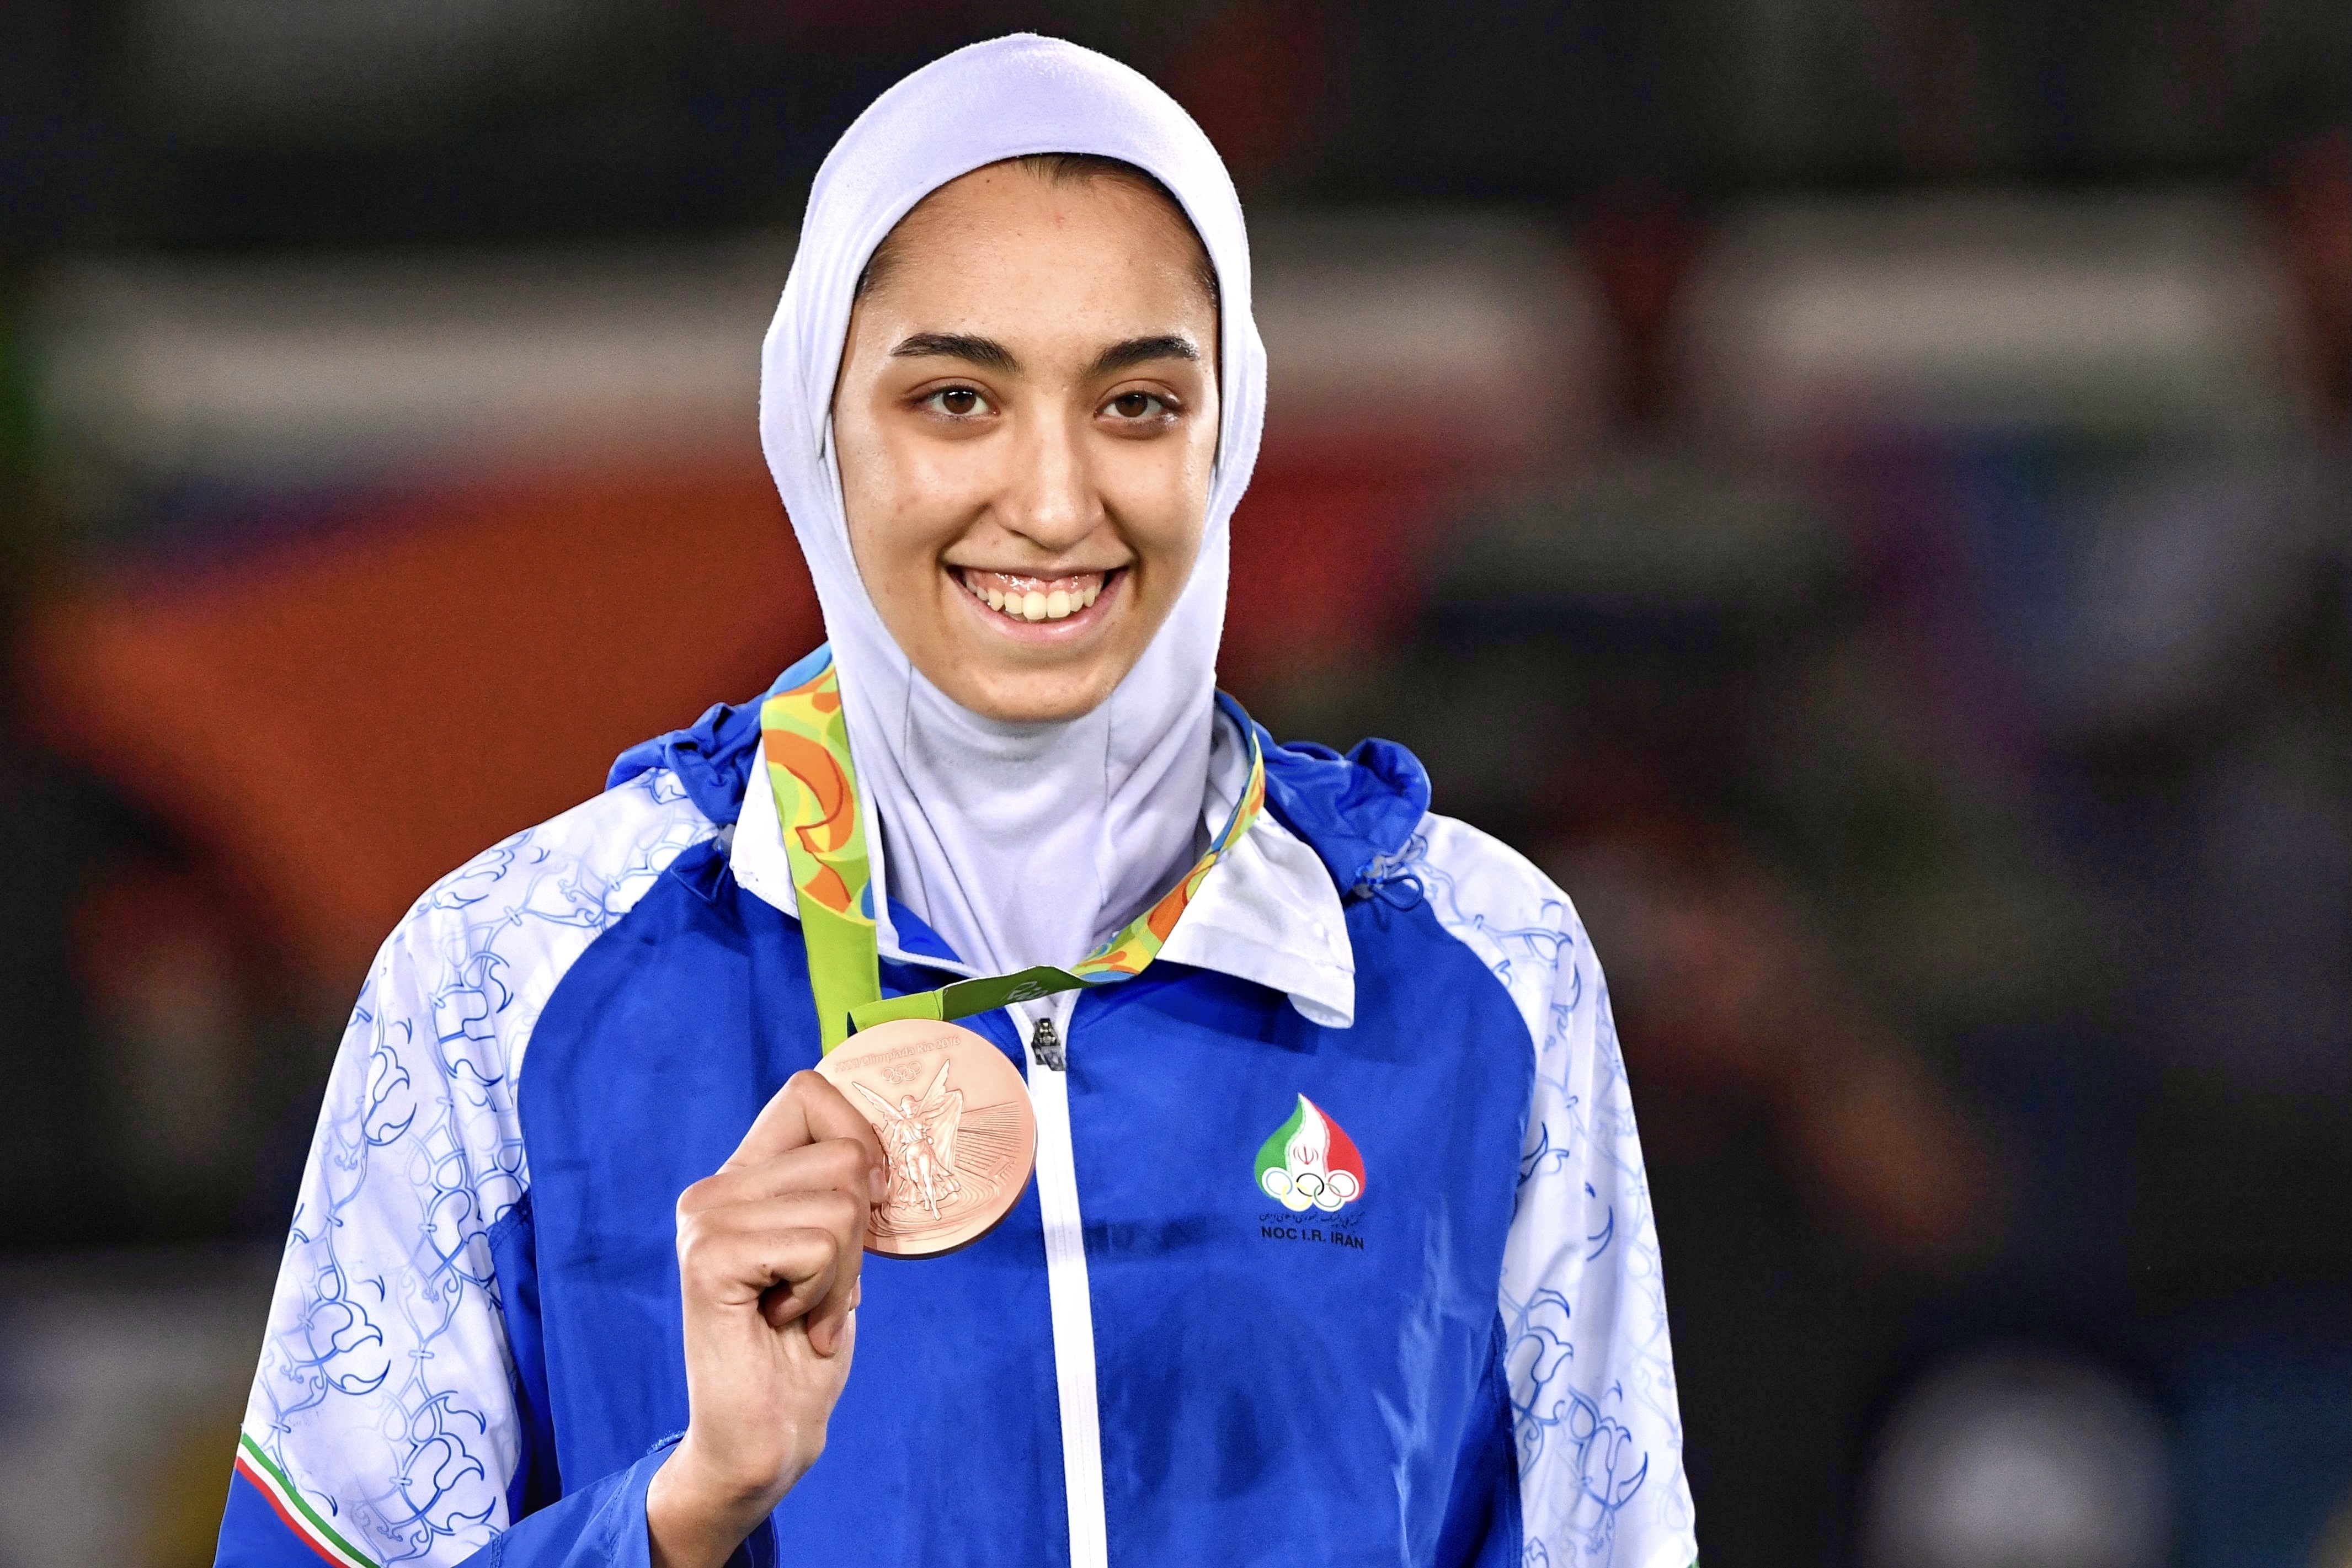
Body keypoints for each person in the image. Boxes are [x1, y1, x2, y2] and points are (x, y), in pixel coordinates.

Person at [212, 35, 1695, 1568]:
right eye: (955, 399)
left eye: (1135, 403)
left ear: (1230, 429)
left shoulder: (1480, 966)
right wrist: (680, 1513)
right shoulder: (503, 984)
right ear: (818, 423)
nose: (1053, 502)